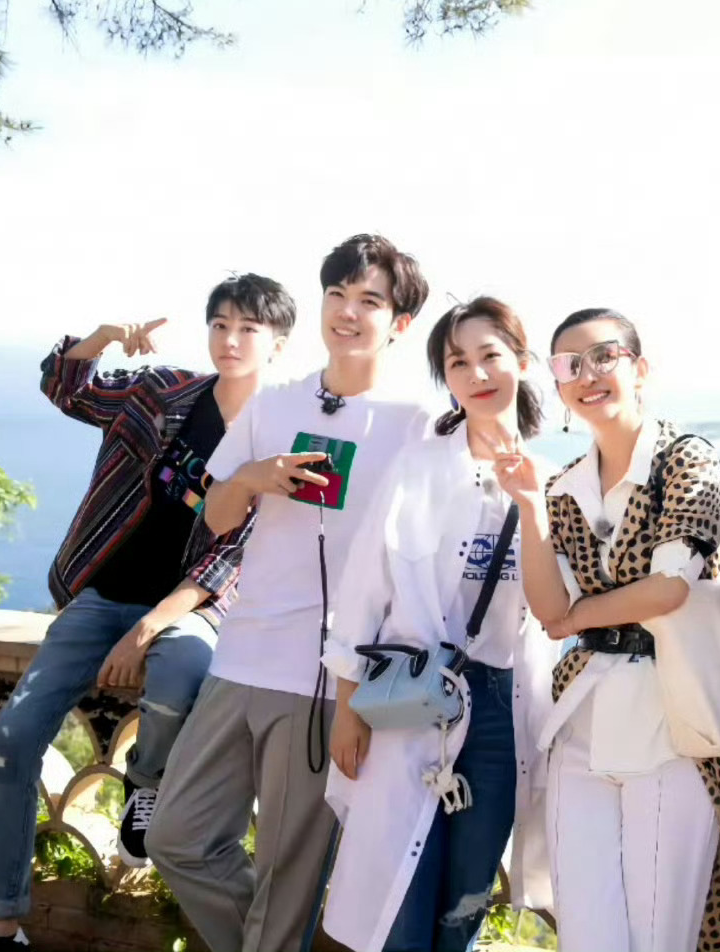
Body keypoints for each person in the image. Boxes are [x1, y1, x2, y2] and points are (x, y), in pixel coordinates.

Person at [0, 274, 293, 952]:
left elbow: (234, 554)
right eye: (220, 324)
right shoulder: (162, 393)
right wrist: (103, 336)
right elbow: (65, 386)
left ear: (278, 343)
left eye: (249, 328)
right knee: (12, 739)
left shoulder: (275, 438)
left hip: (191, 606)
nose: (231, 339)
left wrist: (148, 628)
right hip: (100, 593)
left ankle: (145, 783)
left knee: (181, 663)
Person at [145, 234, 432, 952]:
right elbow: (217, 518)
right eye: (337, 294)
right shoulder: (274, 402)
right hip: (239, 657)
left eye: (369, 300)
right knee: (175, 837)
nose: (347, 311)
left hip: (324, 680)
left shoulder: (418, 424)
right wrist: (253, 477)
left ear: (399, 323)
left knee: (287, 879)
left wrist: (356, 693)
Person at [495, 308, 720, 952]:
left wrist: (578, 617)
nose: (587, 374)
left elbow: (669, 589)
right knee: (586, 935)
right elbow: (547, 607)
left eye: (604, 356)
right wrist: (533, 510)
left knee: (659, 935)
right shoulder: (563, 486)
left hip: (675, 720)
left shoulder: (686, 460)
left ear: (640, 368)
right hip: (582, 721)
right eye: (569, 365)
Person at [322, 297, 557, 952]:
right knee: (398, 897)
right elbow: (364, 590)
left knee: (465, 902)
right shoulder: (417, 467)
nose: (476, 374)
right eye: (458, 363)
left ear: (522, 362)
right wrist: (347, 707)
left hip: (500, 710)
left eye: (491, 355)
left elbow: (557, 616)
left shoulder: (553, 483)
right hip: (408, 696)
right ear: (446, 379)